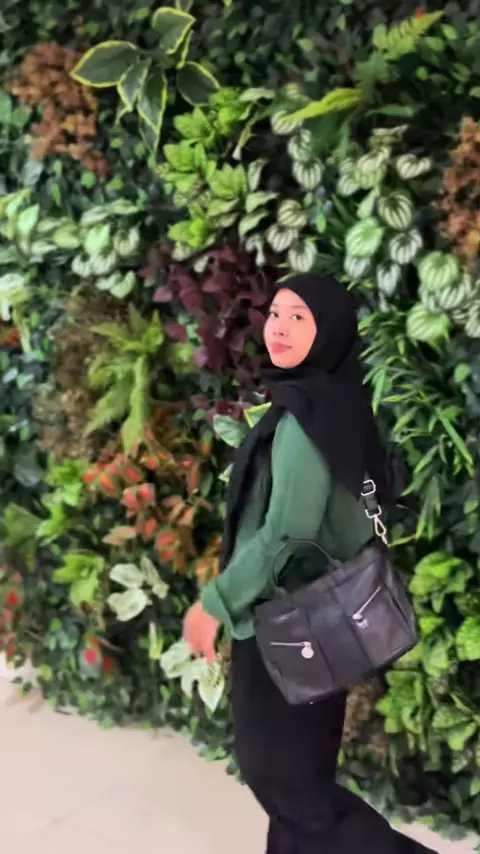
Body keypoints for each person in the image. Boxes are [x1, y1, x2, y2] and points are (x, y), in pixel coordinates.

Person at [183, 274, 436, 854]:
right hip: (324, 626)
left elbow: (285, 535)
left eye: (300, 317)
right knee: (299, 785)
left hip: (285, 625)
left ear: (329, 332)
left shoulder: (302, 420)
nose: (280, 327)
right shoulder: (337, 406)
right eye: (277, 313)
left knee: (288, 786)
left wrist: (215, 604)